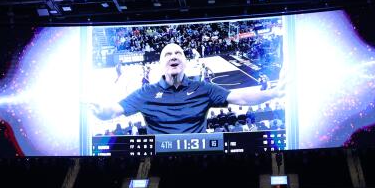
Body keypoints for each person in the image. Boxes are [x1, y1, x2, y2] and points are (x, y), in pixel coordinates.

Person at [90, 42, 285, 135]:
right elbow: (114, 110)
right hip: (159, 164)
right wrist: (100, 112)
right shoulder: (145, 93)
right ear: (160, 63)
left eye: (178, 53)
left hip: (197, 160)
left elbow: (240, 97)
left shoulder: (203, 89)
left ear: (185, 61)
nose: (173, 56)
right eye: (168, 54)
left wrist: (273, 93)